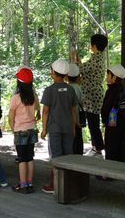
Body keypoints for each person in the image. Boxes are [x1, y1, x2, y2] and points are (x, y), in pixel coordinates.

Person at [40, 58, 78, 194]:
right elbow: (73, 110)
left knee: (56, 157)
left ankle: (55, 185)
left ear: (53, 73)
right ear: (66, 74)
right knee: (68, 156)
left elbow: (45, 111)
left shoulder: (49, 90)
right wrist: (74, 127)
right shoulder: (70, 90)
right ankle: (69, 184)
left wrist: (44, 129)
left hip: (54, 129)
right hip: (68, 128)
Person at [77, 34, 108, 157]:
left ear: (94, 46)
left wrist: (76, 61)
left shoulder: (96, 59)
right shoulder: (99, 57)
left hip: (92, 96)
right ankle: (96, 146)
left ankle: (98, 147)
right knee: (93, 122)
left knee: (93, 123)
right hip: (95, 94)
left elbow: (80, 69)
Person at [9, 67, 39, 194]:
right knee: (30, 157)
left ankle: (22, 184)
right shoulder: (33, 96)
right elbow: (38, 110)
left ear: (19, 83)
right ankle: (30, 183)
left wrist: (12, 128)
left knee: (21, 159)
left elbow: (11, 116)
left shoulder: (16, 98)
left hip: (20, 131)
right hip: (32, 129)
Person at [101, 65, 125, 162]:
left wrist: (109, 124)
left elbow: (112, 109)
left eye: (108, 74)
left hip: (113, 125)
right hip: (121, 125)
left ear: (114, 77)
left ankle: (108, 174)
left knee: (111, 149)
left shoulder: (112, 91)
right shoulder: (123, 90)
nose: (106, 76)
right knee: (120, 149)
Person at [67, 63, 84, 155]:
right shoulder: (78, 88)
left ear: (66, 76)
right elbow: (82, 102)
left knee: (71, 138)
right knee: (78, 137)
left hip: (69, 118)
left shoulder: (67, 88)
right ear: (78, 76)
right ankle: (79, 155)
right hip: (78, 117)